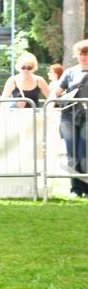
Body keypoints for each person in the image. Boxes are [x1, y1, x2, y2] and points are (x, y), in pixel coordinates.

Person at [53, 39, 88, 199]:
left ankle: (86, 188)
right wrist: (57, 98)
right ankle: (75, 188)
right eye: (81, 54)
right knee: (72, 154)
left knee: (84, 152)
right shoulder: (70, 72)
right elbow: (57, 92)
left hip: (86, 117)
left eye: (86, 54)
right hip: (69, 116)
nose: (83, 57)